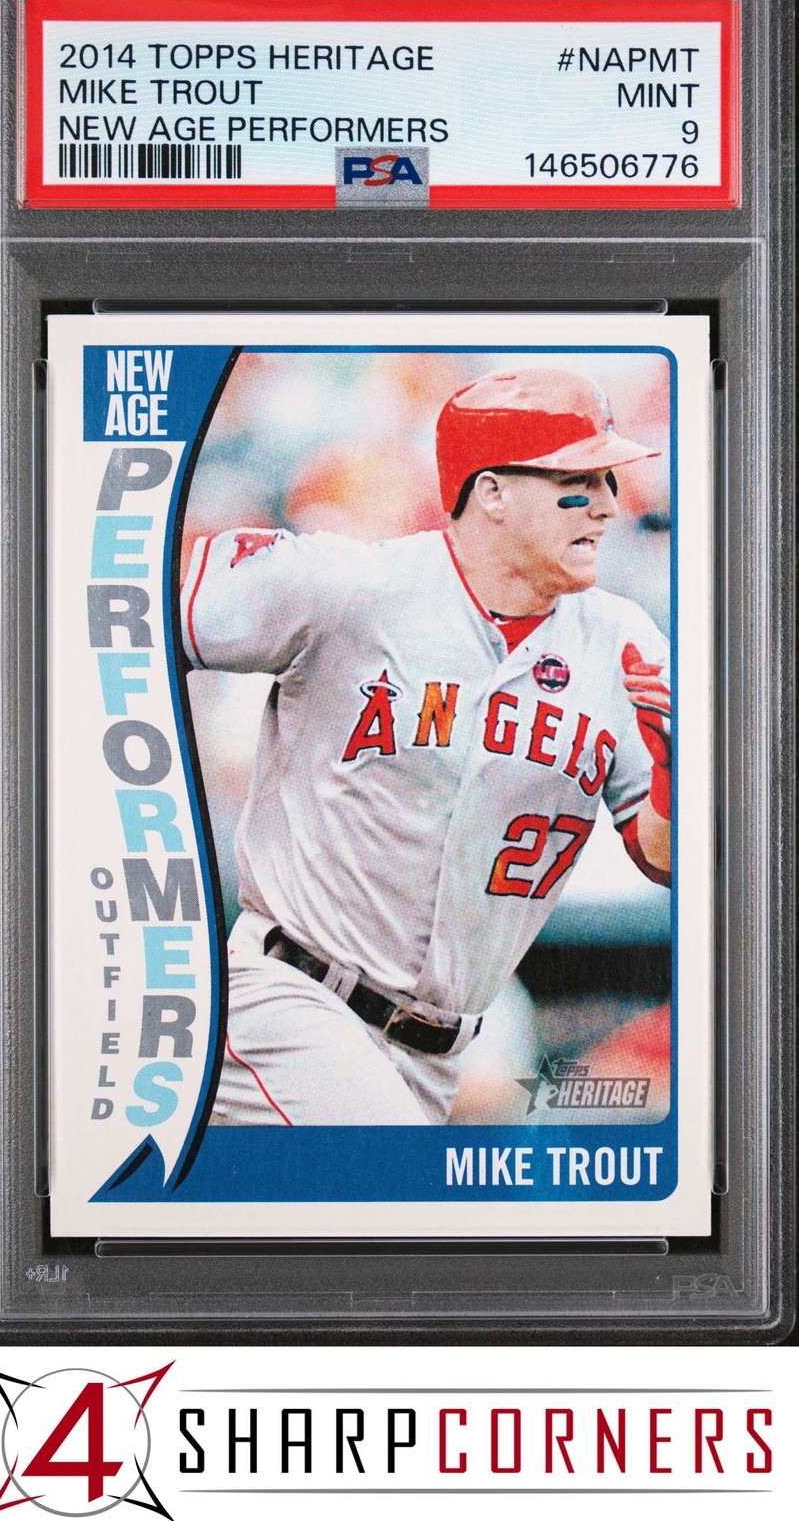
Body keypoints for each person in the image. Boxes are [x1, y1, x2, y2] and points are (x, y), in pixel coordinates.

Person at [181, 366, 671, 1126]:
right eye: (577, 481)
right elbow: (123, 618)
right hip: (290, 998)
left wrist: (676, 784)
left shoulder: (621, 641)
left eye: (608, 479)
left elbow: (661, 855)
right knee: (395, 1185)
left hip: (444, 1048)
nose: (608, 504)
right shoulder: (347, 585)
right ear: (492, 492)